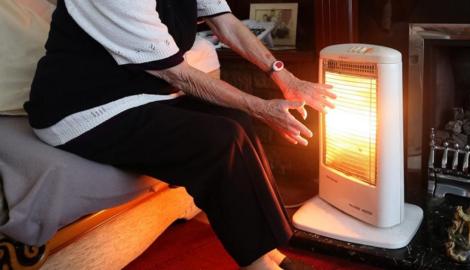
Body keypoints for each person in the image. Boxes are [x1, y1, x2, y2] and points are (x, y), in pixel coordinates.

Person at [24, 0, 335, 269]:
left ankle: (269, 251)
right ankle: (256, 265)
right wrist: (261, 106)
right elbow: (177, 73)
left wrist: (283, 75)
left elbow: (225, 22)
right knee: (218, 139)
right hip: (80, 107)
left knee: (236, 118)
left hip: (138, 89)